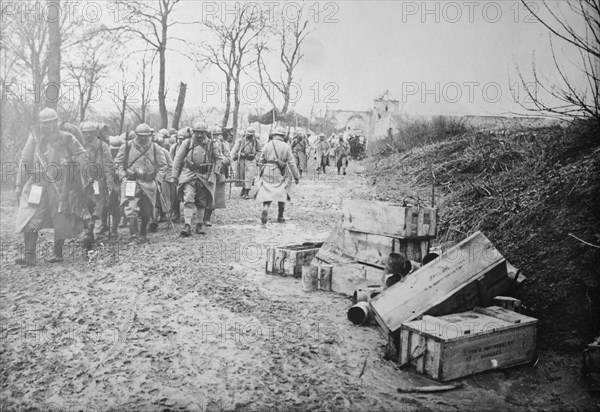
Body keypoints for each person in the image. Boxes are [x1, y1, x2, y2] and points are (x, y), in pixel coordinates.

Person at [15, 108, 88, 266]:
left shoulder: (66, 138)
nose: (48, 127)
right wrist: (19, 184)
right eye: (45, 124)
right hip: (38, 183)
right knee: (30, 215)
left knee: (60, 217)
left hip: (61, 185)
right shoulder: (34, 138)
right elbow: (25, 160)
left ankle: (58, 253)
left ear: (56, 123)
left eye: (51, 123)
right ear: (40, 124)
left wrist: (69, 162)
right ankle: (29, 255)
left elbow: (83, 155)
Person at [114, 123, 168, 243]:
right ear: (136, 135)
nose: (143, 138)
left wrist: (158, 179)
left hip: (149, 183)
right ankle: (134, 234)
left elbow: (163, 166)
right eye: (140, 135)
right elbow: (117, 164)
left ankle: (143, 234)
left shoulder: (155, 148)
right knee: (131, 209)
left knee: (147, 209)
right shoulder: (127, 146)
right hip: (131, 182)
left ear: (150, 135)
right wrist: (123, 176)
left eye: (146, 136)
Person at [171, 122, 223, 237]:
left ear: (206, 133)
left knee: (202, 202)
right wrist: (174, 175)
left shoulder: (212, 144)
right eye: (197, 132)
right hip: (189, 174)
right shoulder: (187, 143)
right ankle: (187, 225)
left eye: (202, 133)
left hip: (205, 176)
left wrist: (215, 173)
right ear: (194, 132)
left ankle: (199, 224)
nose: (199, 135)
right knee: (188, 198)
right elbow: (178, 159)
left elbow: (219, 159)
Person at [79, 122, 115, 247]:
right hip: (83, 182)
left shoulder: (102, 146)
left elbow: (109, 166)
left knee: (97, 207)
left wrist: (110, 185)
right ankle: (88, 231)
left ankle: (90, 232)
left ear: (95, 132)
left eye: (90, 132)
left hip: (98, 182)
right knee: (84, 207)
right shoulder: (80, 146)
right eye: (85, 132)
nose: (87, 135)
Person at [255, 126, 300, 224]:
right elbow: (292, 163)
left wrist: (260, 172)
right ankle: (280, 216)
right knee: (282, 192)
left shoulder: (267, 145)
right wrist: (296, 176)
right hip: (280, 171)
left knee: (267, 191)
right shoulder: (286, 147)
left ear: (274, 135)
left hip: (267, 170)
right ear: (284, 136)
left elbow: (261, 160)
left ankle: (265, 207)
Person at [204, 126, 231, 226]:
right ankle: (201, 215)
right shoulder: (207, 144)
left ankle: (207, 217)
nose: (217, 137)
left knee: (214, 195)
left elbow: (228, 159)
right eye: (215, 135)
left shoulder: (224, 146)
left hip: (218, 173)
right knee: (204, 194)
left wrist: (220, 160)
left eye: (219, 134)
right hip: (206, 172)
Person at [149, 132, 174, 231]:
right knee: (155, 200)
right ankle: (153, 221)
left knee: (165, 199)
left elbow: (170, 165)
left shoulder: (163, 151)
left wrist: (168, 179)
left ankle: (168, 219)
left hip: (164, 179)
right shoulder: (148, 152)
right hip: (153, 178)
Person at [231, 127, 262, 199]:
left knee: (249, 176)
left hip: (251, 160)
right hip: (242, 160)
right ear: (245, 133)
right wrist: (232, 158)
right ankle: (244, 189)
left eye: (251, 134)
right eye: (248, 134)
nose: (250, 136)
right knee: (242, 176)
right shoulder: (241, 141)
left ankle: (246, 193)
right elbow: (234, 150)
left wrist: (256, 159)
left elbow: (259, 151)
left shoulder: (256, 142)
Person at [169, 128, 191, 222]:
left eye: (183, 138)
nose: (181, 141)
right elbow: (172, 161)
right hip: (177, 173)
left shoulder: (190, 146)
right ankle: (176, 213)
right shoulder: (174, 148)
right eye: (179, 138)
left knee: (189, 196)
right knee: (174, 195)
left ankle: (189, 217)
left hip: (187, 173)